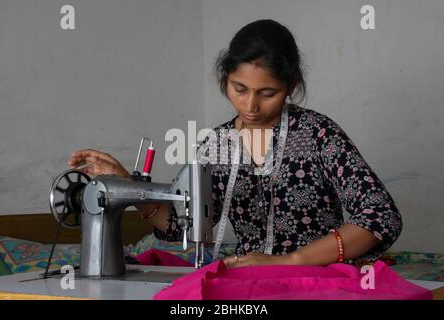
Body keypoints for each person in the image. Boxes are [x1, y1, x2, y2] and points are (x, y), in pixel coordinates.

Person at [68, 19, 402, 269]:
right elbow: (177, 226)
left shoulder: (319, 135)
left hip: (319, 278)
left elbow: (381, 217)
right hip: (248, 283)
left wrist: (292, 260)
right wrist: (128, 185)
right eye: (239, 89)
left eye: (267, 93)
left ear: (291, 86)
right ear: (225, 79)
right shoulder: (215, 145)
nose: (250, 106)